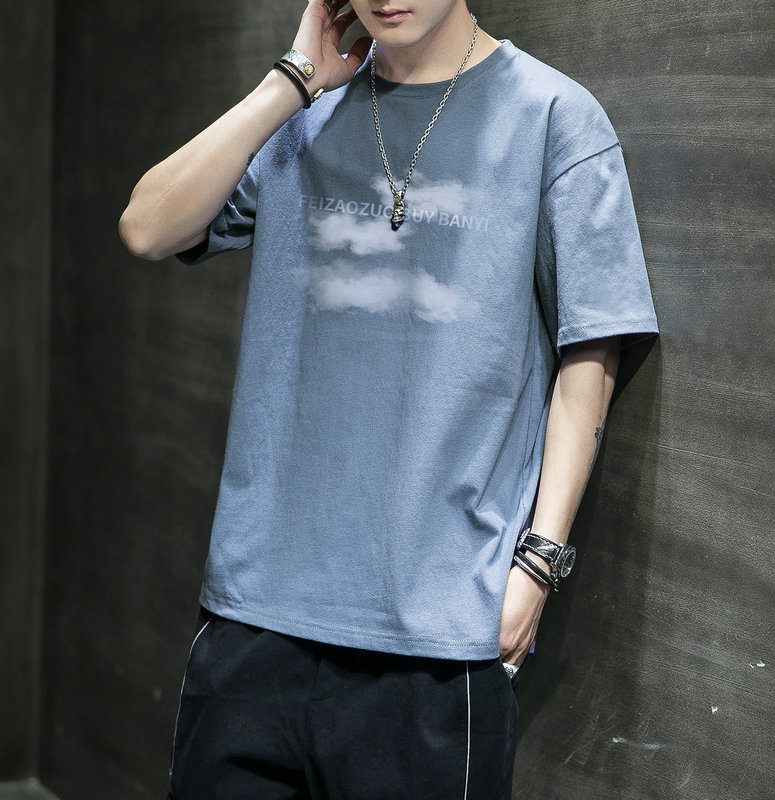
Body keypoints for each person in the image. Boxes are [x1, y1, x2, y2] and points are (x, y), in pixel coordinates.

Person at [119, 1, 658, 797]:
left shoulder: (554, 117)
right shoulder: (305, 115)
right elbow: (147, 227)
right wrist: (291, 83)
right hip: (256, 622)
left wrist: (539, 564)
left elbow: (592, 351)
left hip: (438, 640)